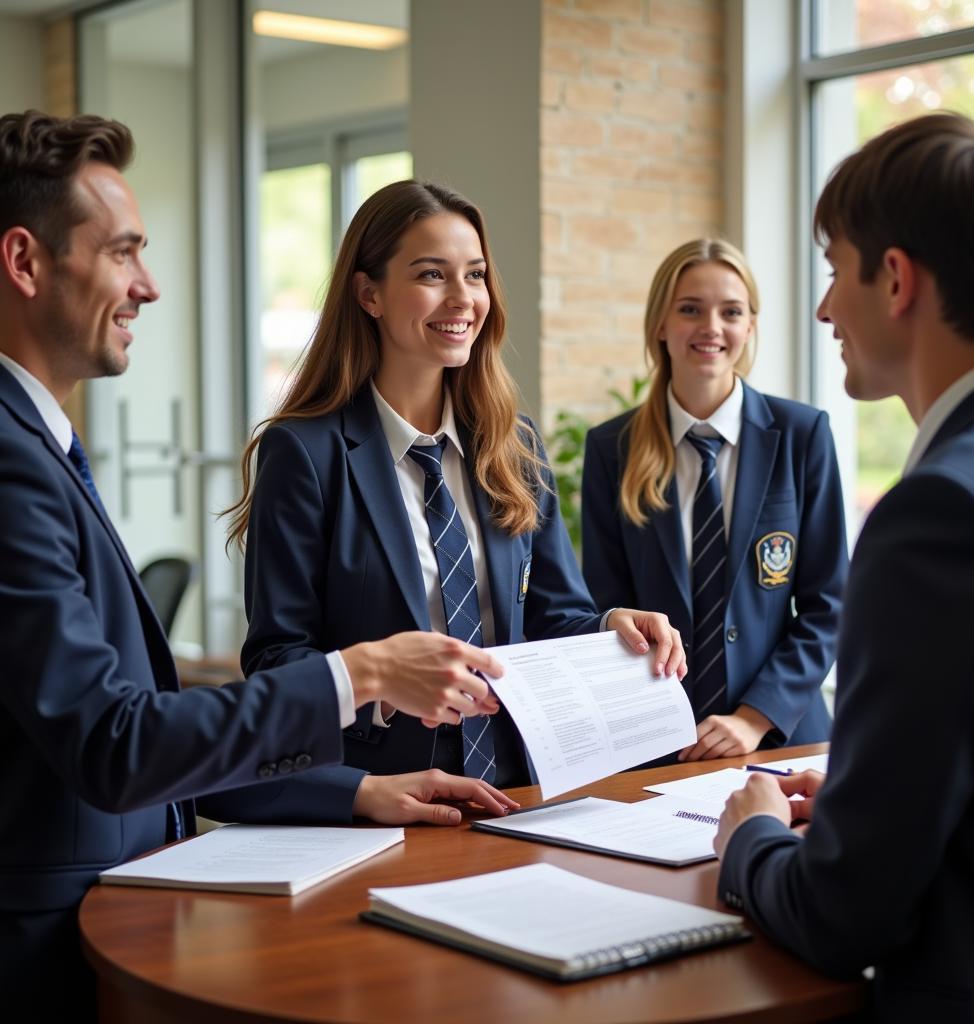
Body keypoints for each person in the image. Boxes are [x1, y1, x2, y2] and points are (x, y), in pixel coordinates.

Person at [0, 110, 518, 1015]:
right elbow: (113, 742)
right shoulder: (12, 457)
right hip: (42, 933)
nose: (148, 286)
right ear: (26, 263)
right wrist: (358, 677)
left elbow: (133, 730)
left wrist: (357, 792)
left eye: (473, 274)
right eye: (122, 253)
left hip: (480, 811)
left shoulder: (40, 447)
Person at [714, 112, 974, 1021]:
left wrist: (753, 839)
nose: (821, 311)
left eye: (832, 271)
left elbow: (846, 913)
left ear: (895, 279)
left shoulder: (940, 514)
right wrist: (867, 786)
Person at [226, 179, 685, 788]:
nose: (463, 299)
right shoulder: (304, 452)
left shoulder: (513, 443)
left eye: (475, 275)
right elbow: (277, 657)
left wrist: (608, 627)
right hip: (389, 792)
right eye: (431, 275)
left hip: (521, 787)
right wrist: (384, 683)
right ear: (369, 294)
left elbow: (553, 614)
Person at [581, 239, 846, 763]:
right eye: (690, 310)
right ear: (660, 324)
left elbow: (830, 605)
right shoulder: (612, 448)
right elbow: (604, 603)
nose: (711, 327)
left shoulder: (801, 435)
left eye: (731, 312)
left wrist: (753, 719)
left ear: (749, 326)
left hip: (782, 739)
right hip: (657, 746)